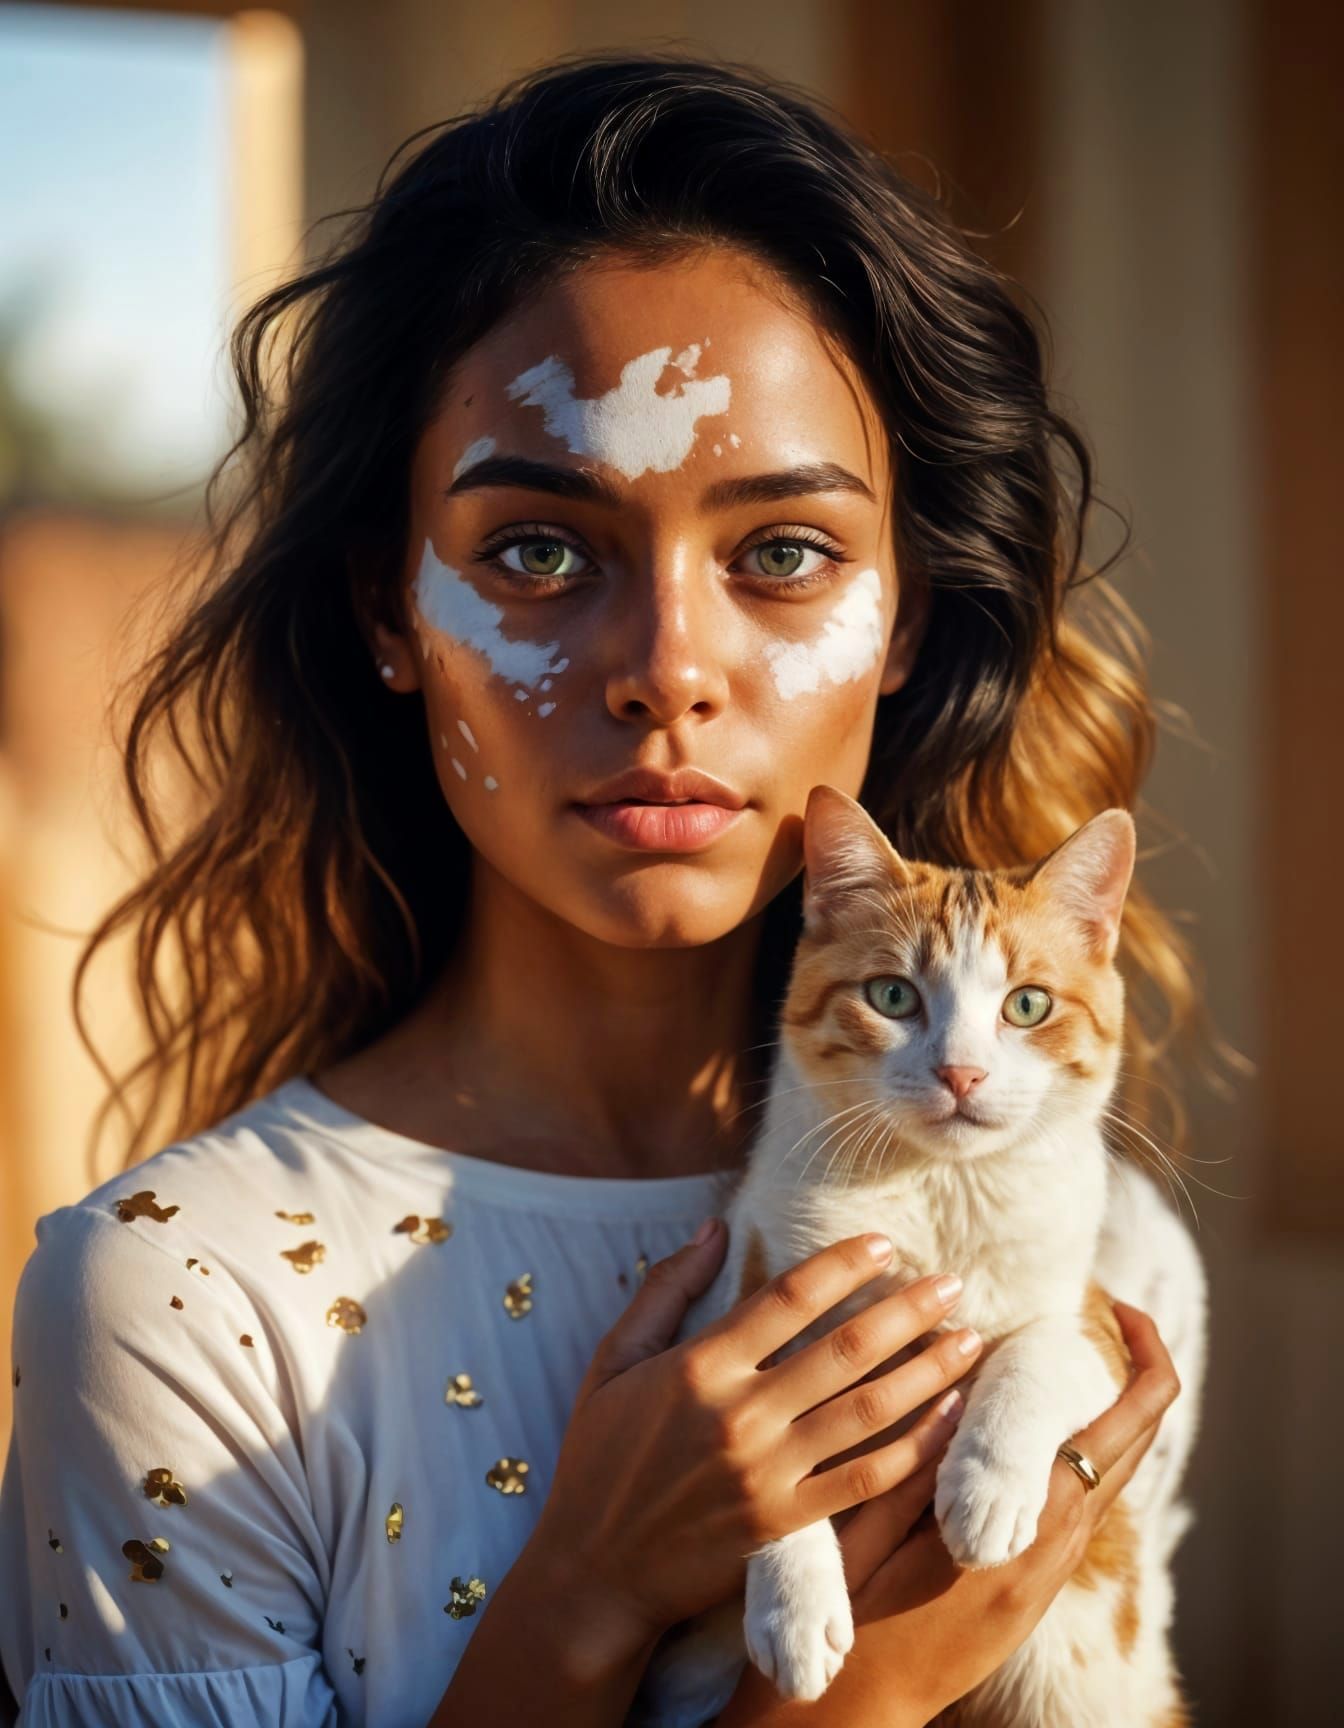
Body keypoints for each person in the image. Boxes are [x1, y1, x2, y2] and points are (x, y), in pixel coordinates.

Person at [0, 50, 1190, 1728]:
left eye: (782, 553)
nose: (666, 672)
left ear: (910, 616)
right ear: (391, 612)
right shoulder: (189, 1309)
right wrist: (600, 1600)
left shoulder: (1102, 1250)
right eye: (541, 553)